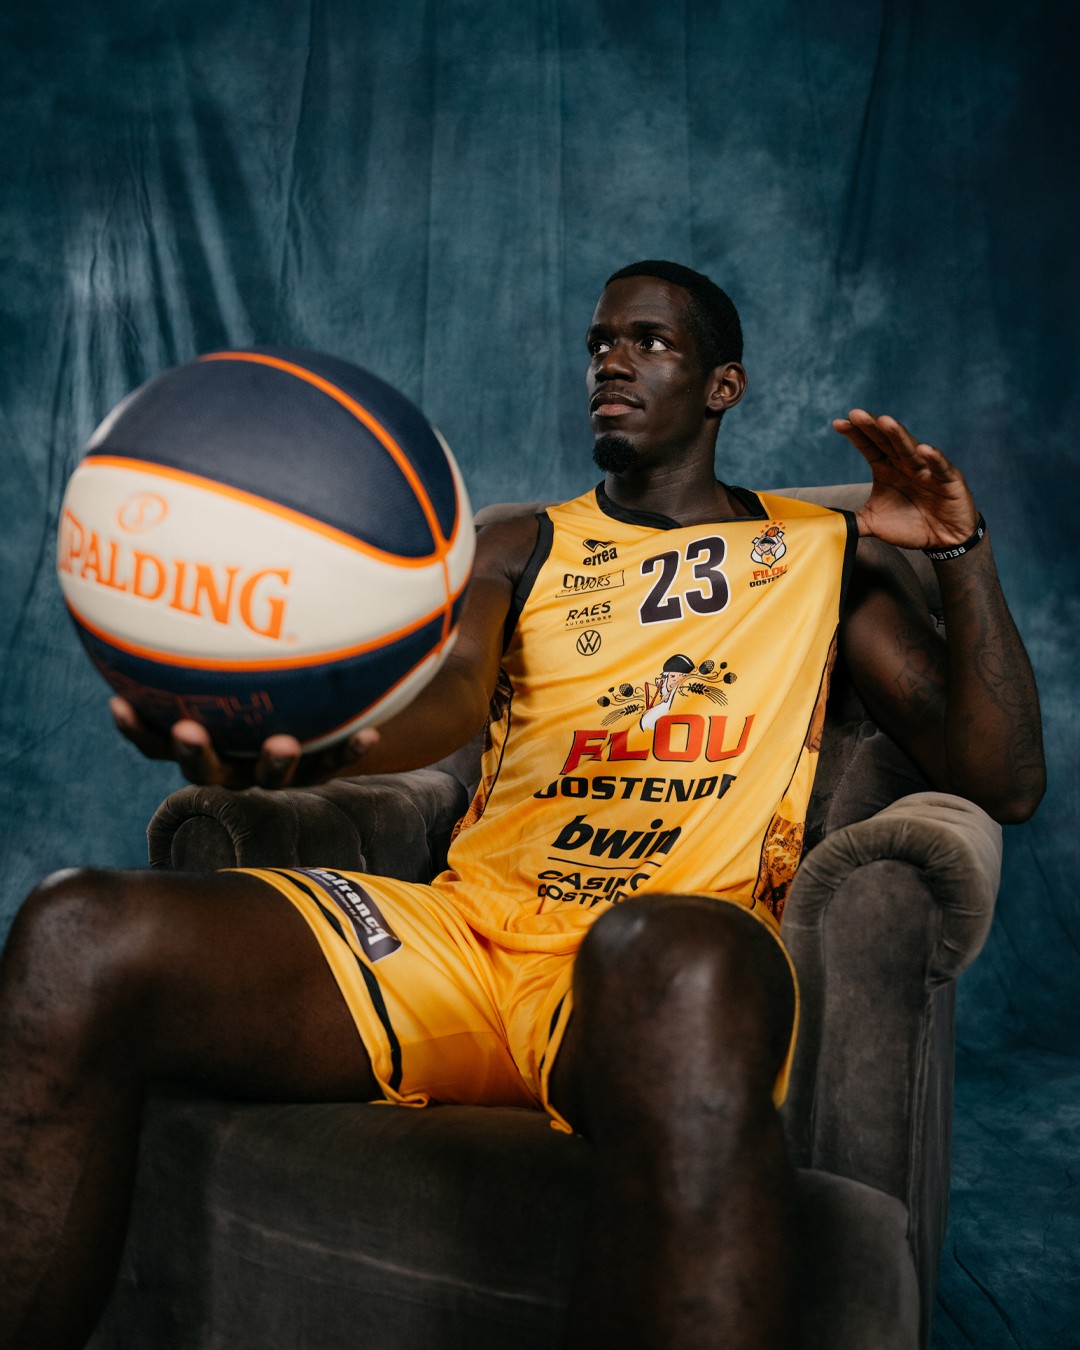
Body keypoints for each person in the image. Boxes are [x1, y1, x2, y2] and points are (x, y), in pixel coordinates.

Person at [0, 261, 1045, 1350]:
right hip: (461, 937)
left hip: (648, 961)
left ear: (723, 385)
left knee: (679, 954)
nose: (612, 362)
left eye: (650, 341)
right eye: (600, 343)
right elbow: (447, 692)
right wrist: (311, 747)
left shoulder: (823, 554)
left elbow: (1004, 781)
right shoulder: (522, 543)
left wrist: (961, 554)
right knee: (76, 932)